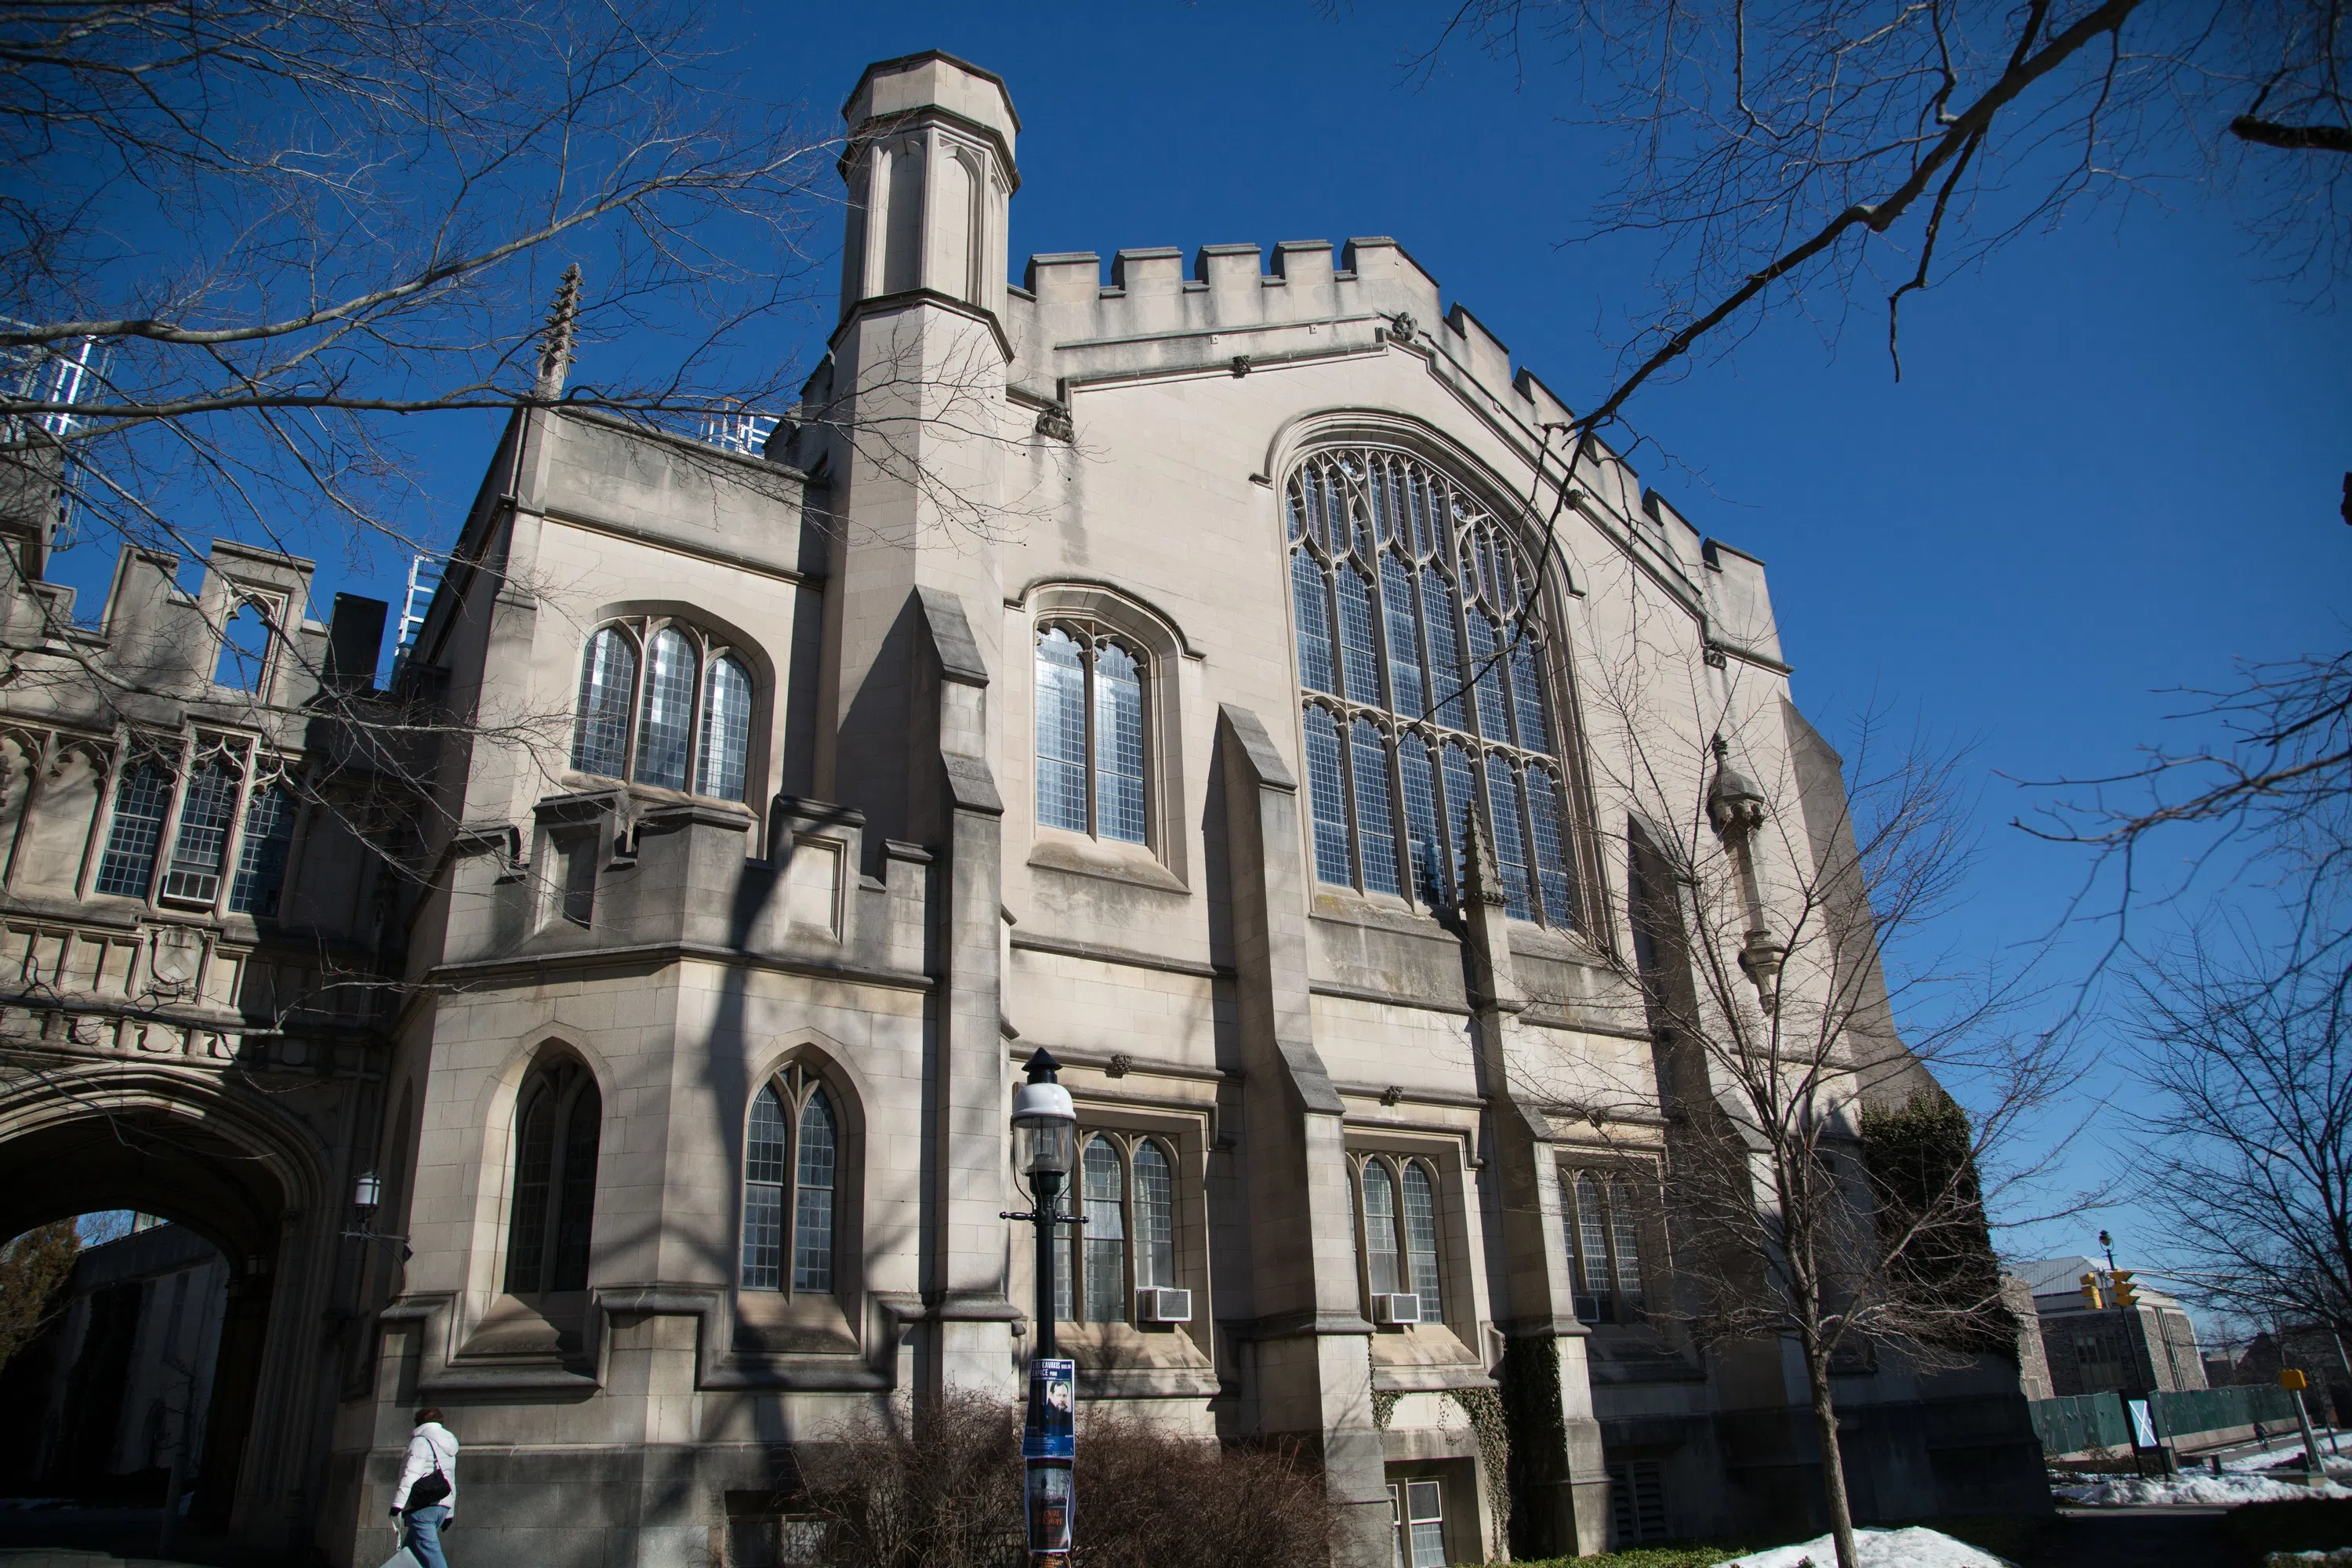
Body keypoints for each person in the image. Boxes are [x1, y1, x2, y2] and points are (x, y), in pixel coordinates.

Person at [390, 1406, 459, 1568]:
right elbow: (450, 1480)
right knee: (409, 1557)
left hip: (422, 1509)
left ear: (419, 1423)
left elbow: (410, 1473)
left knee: (432, 1558)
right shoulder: (449, 1445)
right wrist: (449, 1513)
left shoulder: (420, 1442)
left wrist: (397, 1505)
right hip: (441, 1508)